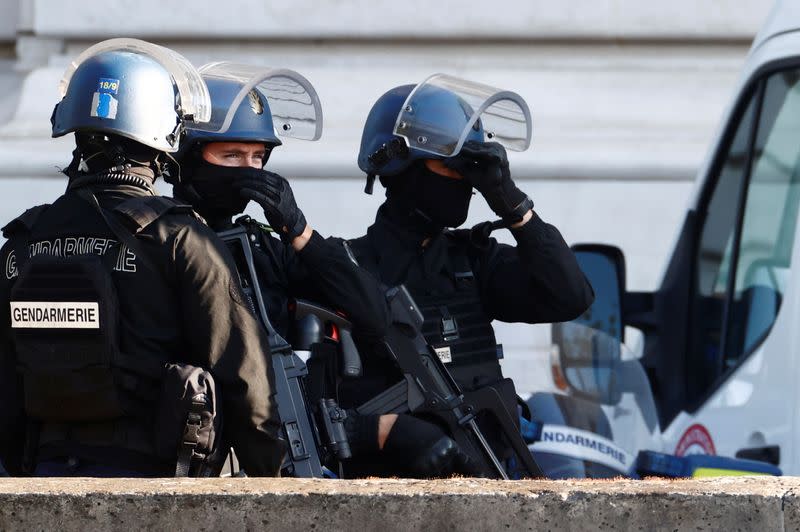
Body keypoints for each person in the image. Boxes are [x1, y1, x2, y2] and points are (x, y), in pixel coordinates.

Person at [169, 64, 479, 478]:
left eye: (258, 157)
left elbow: (372, 312)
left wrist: (298, 231)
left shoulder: (261, 247)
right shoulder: (162, 241)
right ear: (189, 158)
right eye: (231, 155)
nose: (248, 169)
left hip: (276, 459)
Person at [0, 41, 285, 477]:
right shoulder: (180, 237)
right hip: (154, 484)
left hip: (44, 476)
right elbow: (244, 378)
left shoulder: (22, 242)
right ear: (163, 133)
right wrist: (276, 483)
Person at [341, 76, 595, 474]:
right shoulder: (345, 266)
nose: (464, 182)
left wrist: (512, 205)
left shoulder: (473, 262)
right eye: (450, 165)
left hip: (488, 484)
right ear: (397, 164)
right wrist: (383, 431)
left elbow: (570, 295)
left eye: (469, 169)